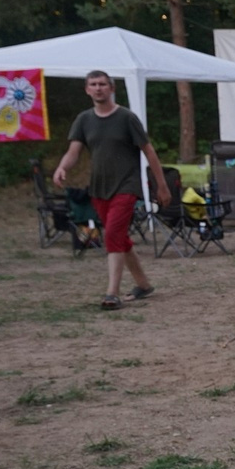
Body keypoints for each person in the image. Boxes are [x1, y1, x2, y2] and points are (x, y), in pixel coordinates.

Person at [53, 70, 170, 310]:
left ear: (112, 88)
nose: (98, 88)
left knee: (112, 236)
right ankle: (143, 285)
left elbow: (149, 151)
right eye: (94, 84)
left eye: (103, 84)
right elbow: (74, 151)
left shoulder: (127, 118)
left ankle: (111, 294)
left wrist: (162, 185)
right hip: (99, 188)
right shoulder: (84, 120)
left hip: (126, 185)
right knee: (119, 238)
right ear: (87, 90)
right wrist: (62, 167)